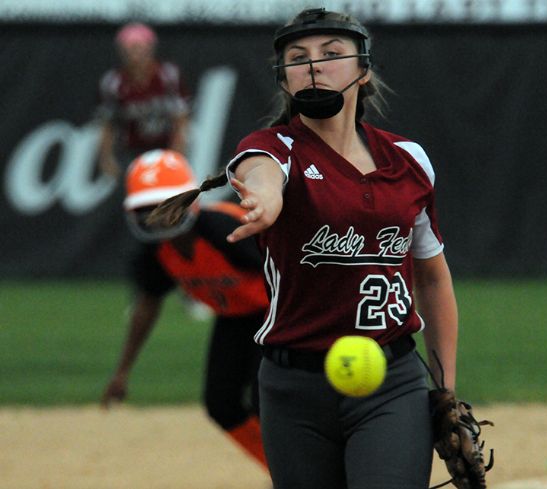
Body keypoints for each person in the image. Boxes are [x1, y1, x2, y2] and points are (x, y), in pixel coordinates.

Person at [149, 7, 458, 489]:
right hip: (292, 388)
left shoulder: (408, 161)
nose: (314, 64)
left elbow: (433, 278)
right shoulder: (272, 148)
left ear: (364, 68)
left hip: (390, 379)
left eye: (332, 53)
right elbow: (261, 170)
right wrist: (267, 197)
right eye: (299, 57)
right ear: (284, 79)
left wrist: (445, 390)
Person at [100, 149, 268, 469]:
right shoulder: (156, 253)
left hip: (279, 315)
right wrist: (123, 371)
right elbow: (147, 305)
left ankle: (310, 471)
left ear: (191, 200)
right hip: (235, 318)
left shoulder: (226, 230)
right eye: (149, 208)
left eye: (168, 203)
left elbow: (292, 274)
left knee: (270, 401)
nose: (161, 215)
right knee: (221, 404)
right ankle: (283, 470)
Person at [96, 23, 190, 178]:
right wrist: (106, 157)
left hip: (165, 147)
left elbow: (181, 118)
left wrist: (177, 153)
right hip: (132, 150)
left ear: (150, 48)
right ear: (122, 52)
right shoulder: (113, 82)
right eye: (130, 49)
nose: (136, 55)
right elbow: (107, 123)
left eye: (140, 48)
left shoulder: (167, 75)